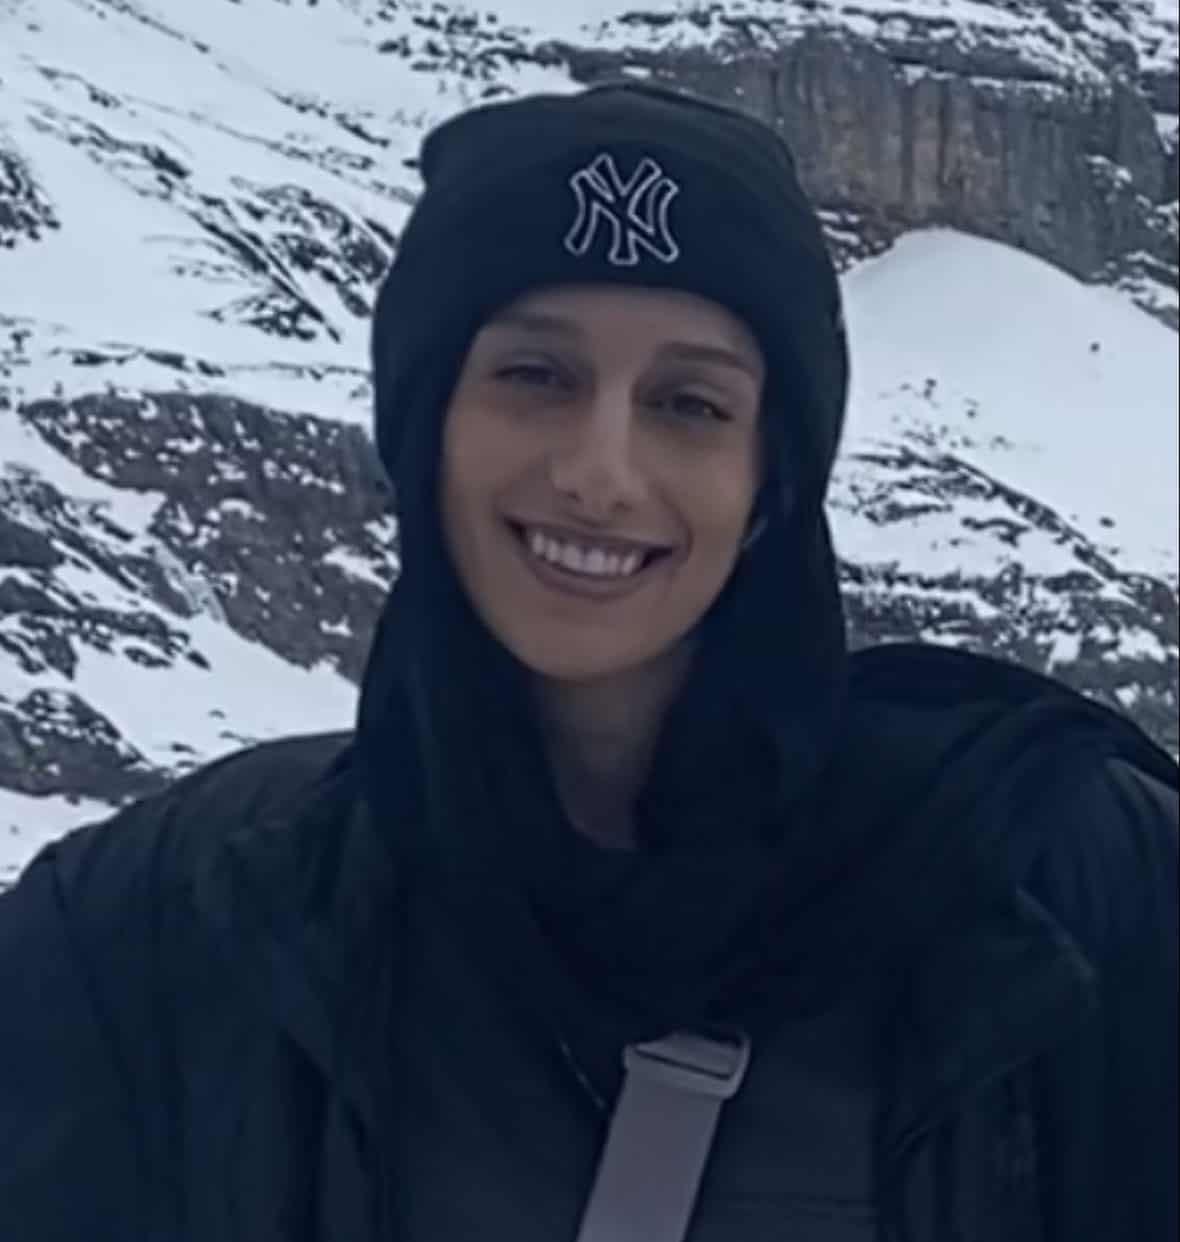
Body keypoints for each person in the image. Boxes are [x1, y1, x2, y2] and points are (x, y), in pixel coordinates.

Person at [0, 81, 1175, 1242]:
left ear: (771, 479)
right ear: (425, 422)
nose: (600, 473)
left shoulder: (1064, 895)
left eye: (689, 404)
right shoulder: (163, 928)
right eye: (536, 377)